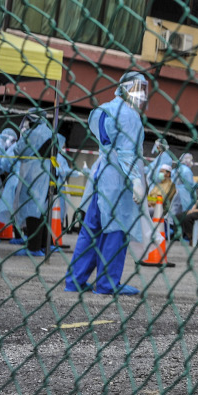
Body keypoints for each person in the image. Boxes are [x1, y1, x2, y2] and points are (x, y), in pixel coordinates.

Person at [65, 72, 150, 295]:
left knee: (91, 229)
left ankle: (75, 280)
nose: (141, 95)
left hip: (100, 177)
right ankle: (106, 283)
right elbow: (127, 152)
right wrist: (136, 180)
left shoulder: (104, 109)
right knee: (116, 230)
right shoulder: (130, 116)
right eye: (137, 89)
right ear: (125, 88)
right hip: (118, 181)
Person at [12, 109, 66, 257]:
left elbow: (19, 150)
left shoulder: (32, 134)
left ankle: (33, 248)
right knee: (43, 211)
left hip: (34, 174)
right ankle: (42, 245)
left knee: (32, 209)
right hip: (48, 174)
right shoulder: (49, 132)